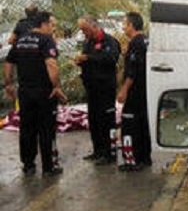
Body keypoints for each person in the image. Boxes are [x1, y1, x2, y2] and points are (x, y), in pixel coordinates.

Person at [3, 11, 66, 176]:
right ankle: (48, 167)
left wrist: (8, 83)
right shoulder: (46, 41)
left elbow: (9, 62)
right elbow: (51, 64)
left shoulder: (21, 40)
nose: (53, 29)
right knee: (46, 129)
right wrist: (57, 86)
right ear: (43, 24)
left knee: (27, 128)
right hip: (44, 92)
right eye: (52, 25)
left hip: (25, 92)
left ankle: (28, 164)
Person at [74, 16, 120, 165]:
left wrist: (88, 58)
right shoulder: (88, 43)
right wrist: (80, 61)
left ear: (94, 27)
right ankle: (98, 150)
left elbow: (110, 59)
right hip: (92, 88)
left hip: (105, 89)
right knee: (94, 120)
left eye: (85, 30)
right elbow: (88, 60)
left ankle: (109, 153)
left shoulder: (110, 42)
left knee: (106, 121)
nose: (83, 33)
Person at [117, 12, 151, 171]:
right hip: (145, 91)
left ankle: (133, 160)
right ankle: (145, 158)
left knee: (130, 125)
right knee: (143, 124)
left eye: (124, 24)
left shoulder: (135, 43)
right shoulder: (146, 41)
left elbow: (132, 71)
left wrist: (123, 90)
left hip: (135, 92)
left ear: (131, 25)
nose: (123, 27)